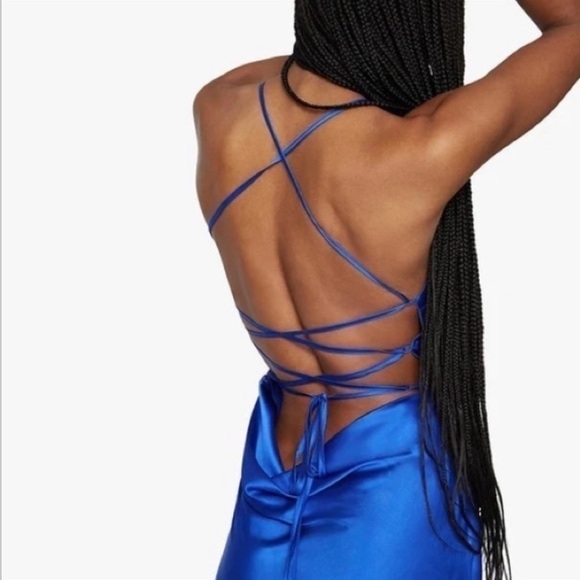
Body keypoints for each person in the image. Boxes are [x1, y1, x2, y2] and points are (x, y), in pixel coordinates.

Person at [193, 0, 579, 578]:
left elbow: (309, 66)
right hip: (393, 497)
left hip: (272, 477)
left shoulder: (219, 106)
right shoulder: (423, 150)